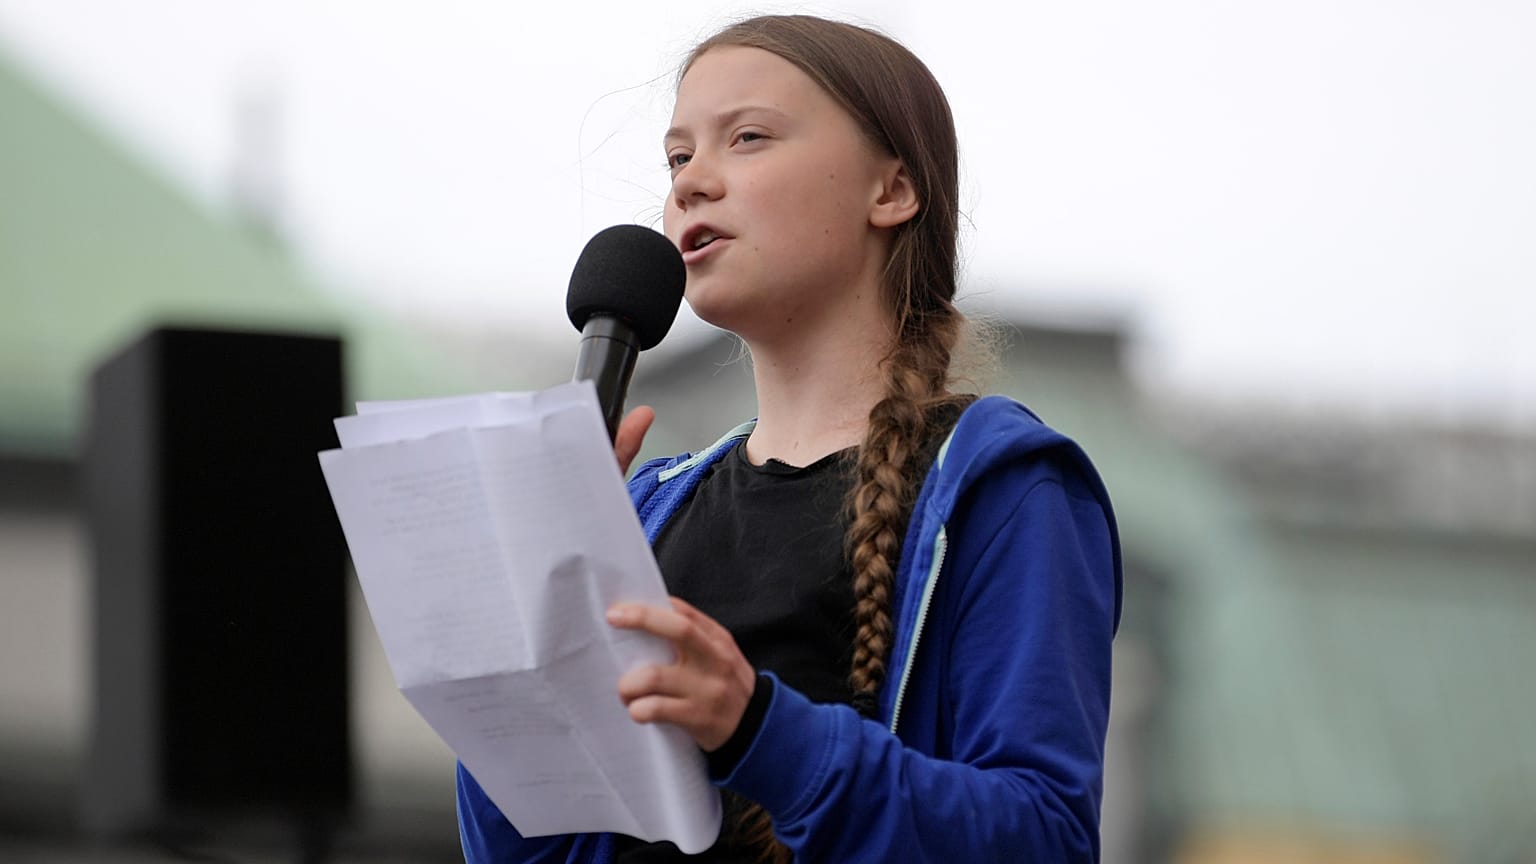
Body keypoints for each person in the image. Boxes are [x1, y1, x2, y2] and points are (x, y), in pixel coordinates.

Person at [458, 14, 1121, 863]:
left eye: (748, 137)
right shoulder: (651, 506)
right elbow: (528, 849)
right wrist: (519, 657)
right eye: (677, 157)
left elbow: (1044, 839)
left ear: (892, 190)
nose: (692, 182)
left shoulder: (1004, 489)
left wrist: (759, 732)